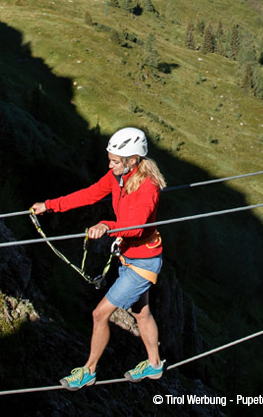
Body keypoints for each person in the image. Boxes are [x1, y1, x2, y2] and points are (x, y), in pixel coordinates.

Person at [31, 127, 167, 390]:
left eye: (115, 160)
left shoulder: (147, 187)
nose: (110, 164)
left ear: (133, 160)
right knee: (142, 313)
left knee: (99, 314)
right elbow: (89, 194)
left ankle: (89, 371)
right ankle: (155, 364)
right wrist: (49, 205)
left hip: (143, 261)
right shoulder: (118, 177)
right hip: (132, 256)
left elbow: (136, 227)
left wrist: (106, 225)